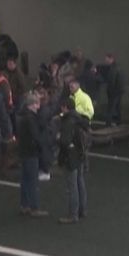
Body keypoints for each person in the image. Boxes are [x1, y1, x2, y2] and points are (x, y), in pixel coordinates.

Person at [57, 96, 90, 224]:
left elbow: (64, 141)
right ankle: (82, 209)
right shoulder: (79, 119)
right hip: (80, 154)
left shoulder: (68, 122)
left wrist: (58, 138)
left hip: (70, 157)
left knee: (71, 186)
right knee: (80, 182)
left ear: (65, 107)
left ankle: (73, 214)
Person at [16, 92, 49, 216]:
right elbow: (36, 136)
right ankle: (34, 207)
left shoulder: (22, 116)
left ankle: (24, 205)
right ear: (33, 104)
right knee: (33, 181)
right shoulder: (31, 118)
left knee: (25, 180)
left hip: (24, 151)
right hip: (31, 152)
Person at [103, 54, 124, 127]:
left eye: (107, 59)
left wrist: (109, 91)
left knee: (111, 108)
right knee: (118, 107)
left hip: (114, 91)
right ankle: (119, 122)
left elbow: (111, 81)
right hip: (119, 90)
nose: (106, 61)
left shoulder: (113, 69)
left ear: (111, 59)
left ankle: (108, 124)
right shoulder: (118, 67)